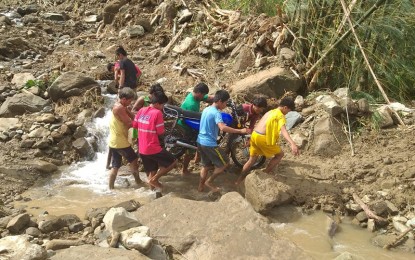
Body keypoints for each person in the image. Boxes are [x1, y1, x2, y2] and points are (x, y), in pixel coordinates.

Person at [235, 98, 300, 185]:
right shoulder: (280, 115)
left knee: (252, 160)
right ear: (285, 107)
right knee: (280, 155)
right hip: (262, 138)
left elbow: (259, 124)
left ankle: (238, 181)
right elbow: (284, 130)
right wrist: (292, 144)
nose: (287, 113)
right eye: (288, 111)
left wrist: (251, 139)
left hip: (255, 135)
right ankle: (265, 174)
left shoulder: (270, 112)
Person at [197, 90, 251, 192]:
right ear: (220, 101)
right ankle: (209, 181)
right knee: (225, 163)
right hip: (209, 144)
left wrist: (220, 125)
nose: (226, 105)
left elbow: (212, 123)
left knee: (206, 165)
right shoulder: (216, 113)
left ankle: (200, 187)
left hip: (200, 141)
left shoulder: (206, 109)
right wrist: (240, 130)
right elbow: (222, 128)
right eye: (225, 103)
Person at [133, 91, 177, 191]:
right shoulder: (158, 113)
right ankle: (155, 179)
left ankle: (154, 193)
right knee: (173, 162)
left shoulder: (141, 110)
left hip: (142, 148)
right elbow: (160, 132)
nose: (163, 107)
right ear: (157, 103)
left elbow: (135, 125)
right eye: (163, 104)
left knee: (152, 170)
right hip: (152, 147)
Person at [108, 87, 142, 189]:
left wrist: (135, 117)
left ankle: (111, 188)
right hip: (120, 142)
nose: (131, 103)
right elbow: (129, 123)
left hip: (114, 141)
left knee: (115, 166)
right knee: (133, 159)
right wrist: (143, 124)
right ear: (124, 99)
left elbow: (131, 116)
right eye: (130, 101)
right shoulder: (119, 108)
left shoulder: (119, 105)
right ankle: (138, 182)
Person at [178, 82, 213, 176]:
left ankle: (197, 159)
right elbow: (194, 120)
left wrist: (218, 99)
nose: (203, 97)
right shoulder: (191, 104)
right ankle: (184, 170)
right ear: (199, 93)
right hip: (186, 126)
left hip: (188, 120)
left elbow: (208, 98)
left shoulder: (194, 95)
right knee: (190, 147)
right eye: (203, 95)